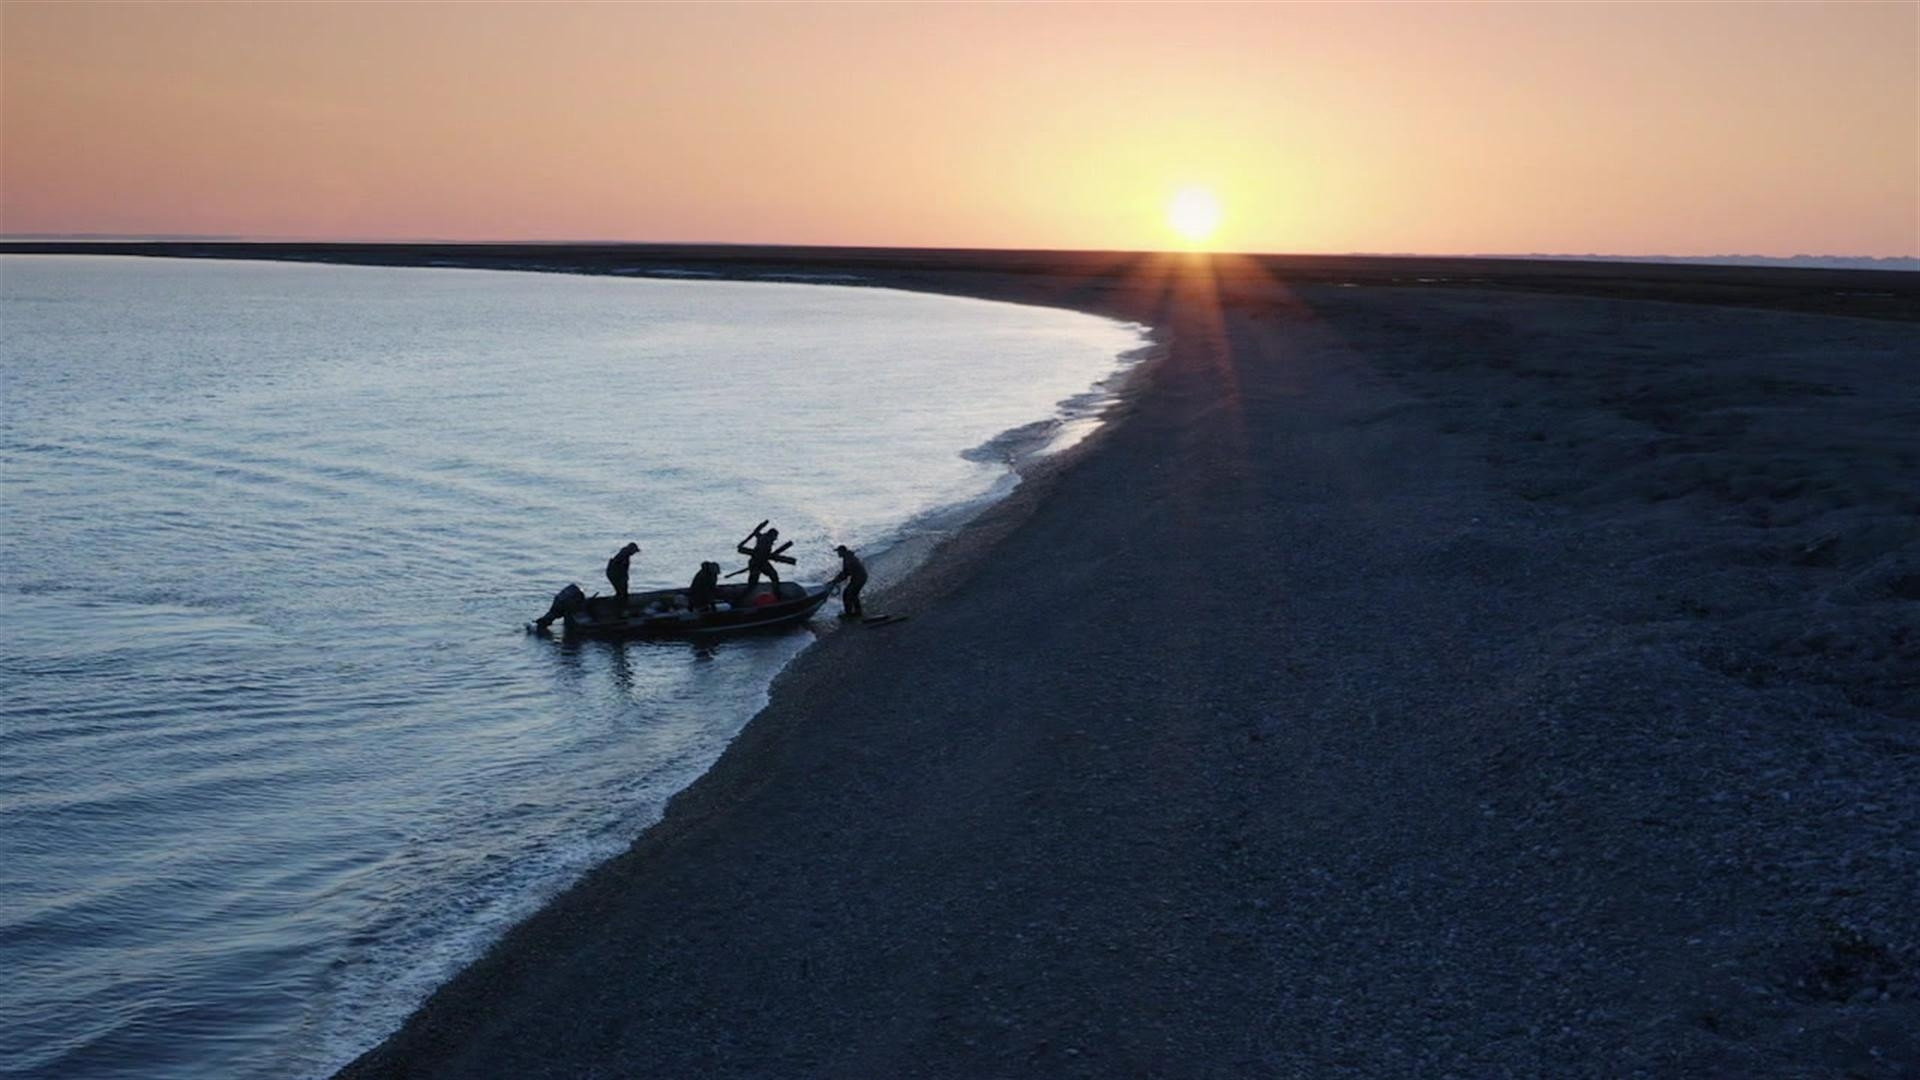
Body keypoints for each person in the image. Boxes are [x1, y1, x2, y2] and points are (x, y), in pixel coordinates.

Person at [736, 525, 785, 599]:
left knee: (770, 577)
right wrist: (773, 557)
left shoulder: (762, 537)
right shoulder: (767, 540)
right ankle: (778, 595)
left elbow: (756, 533)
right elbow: (762, 553)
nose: (775, 539)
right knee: (772, 577)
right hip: (759, 563)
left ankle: (777, 594)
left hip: (757, 562)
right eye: (775, 537)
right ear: (772, 535)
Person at [829, 544, 867, 618]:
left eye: (838, 552)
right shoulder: (847, 557)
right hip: (859, 577)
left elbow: (845, 573)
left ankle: (848, 614)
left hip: (859, 578)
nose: (838, 553)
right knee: (853, 594)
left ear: (842, 551)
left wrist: (834, 581)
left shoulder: (848, 559)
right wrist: (835, 580)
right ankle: (857, 612)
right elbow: (845, 572)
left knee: (847, 594)